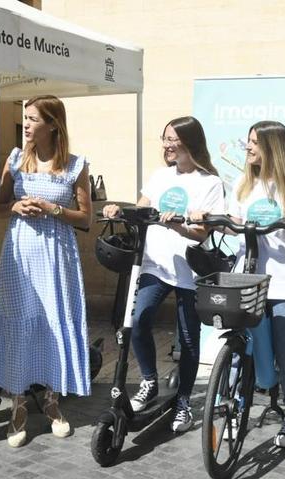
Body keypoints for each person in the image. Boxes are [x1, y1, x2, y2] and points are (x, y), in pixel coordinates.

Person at [0, 95, 93, 448]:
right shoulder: (15, 159)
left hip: (57, 257)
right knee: (19, 323)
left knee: (53, 323)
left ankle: (52, 403)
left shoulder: (76, 165)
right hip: (20, 256)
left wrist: (53, 208)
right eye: (24, 118)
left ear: (53, 125)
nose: (25, 124)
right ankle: (18, 407)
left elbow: (87, 219)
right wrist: (16, 204)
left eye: (32, 119)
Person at [102, 116, 224, 432]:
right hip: (155, 266)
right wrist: (119, 210)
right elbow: (142, 209)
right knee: (138, 320)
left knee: (187, 339)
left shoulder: (209, 182)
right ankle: (149, 380)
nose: (167, 145)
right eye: (165, 138)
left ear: (189, 142)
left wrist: (178, 225)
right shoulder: (160, 177)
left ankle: (183, 402)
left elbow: (201, 233)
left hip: (189, 271)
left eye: (173, 139)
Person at [217, 120, 285, 448]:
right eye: (247, 141)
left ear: (272, 147)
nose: (247, 147)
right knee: (237, 346)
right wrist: (220, 222)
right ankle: (231, 406)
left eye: (254, 143)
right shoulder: (243, 185)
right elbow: (232, 226)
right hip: (245, 277)